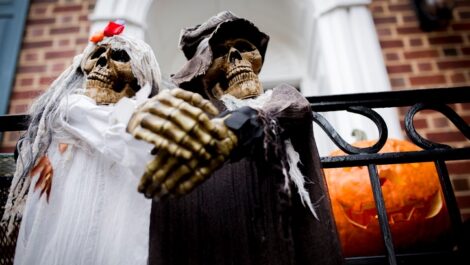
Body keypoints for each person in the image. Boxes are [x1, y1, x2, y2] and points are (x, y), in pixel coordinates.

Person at [127, 11, 343, 265]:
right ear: (201, 68)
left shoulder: (276, 98)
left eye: (245, 48)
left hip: (268, 235)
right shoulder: (184, 113)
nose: (237, 59)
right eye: (221, 52)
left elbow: (291, 109)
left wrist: (237, 128)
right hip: (201, 235)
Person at [2, 21, 161, 265]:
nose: (101, 65)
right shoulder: (68, 111)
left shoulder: (136, 122)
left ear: (141, 75)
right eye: (96, 57)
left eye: (118, 57)